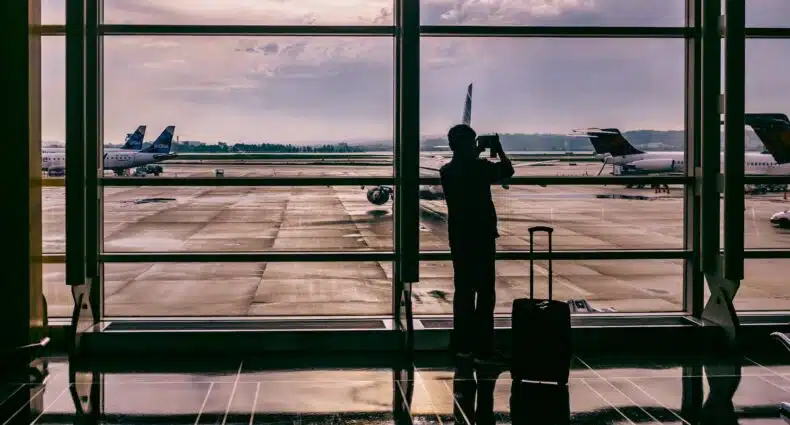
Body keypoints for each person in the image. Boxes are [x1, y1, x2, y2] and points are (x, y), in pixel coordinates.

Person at [439, 124, 515, 364]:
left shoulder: (446, 171)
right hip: (482, 236)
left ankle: (462, 347)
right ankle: (484, 349)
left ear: (451, 145)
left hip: (459, 237)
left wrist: (475, 149)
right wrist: (497, 148)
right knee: (484, 293)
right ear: (471, 144)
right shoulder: (481, 168)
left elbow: (463, 164)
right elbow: (507, 171)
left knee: (463, 291)